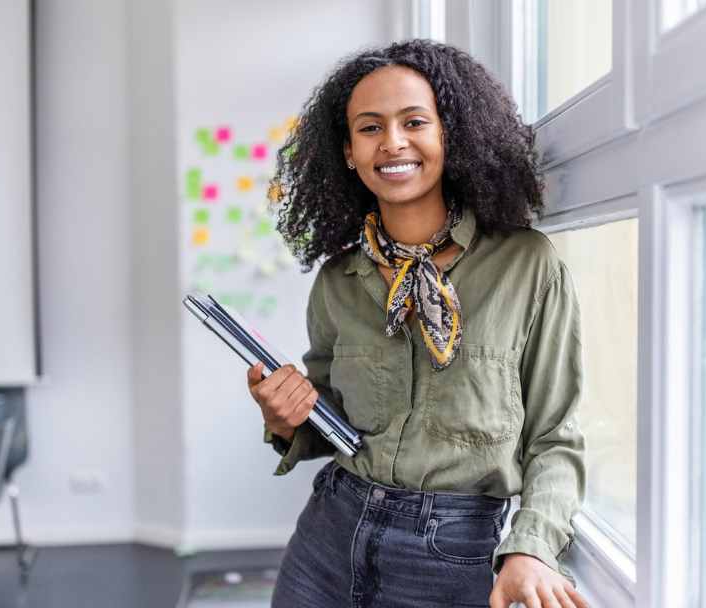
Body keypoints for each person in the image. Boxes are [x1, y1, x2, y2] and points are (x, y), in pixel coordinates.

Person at [247, 39, 587, 608]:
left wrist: (532, 547)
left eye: (414, 121)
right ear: (349, 152)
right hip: (327, 538)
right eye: (370, 127)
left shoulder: (528, 265)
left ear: (449, 135)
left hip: (450, 558)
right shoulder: (339, 279)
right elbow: (328, 417)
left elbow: (554, 436)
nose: (393, 142)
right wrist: (283, 419)